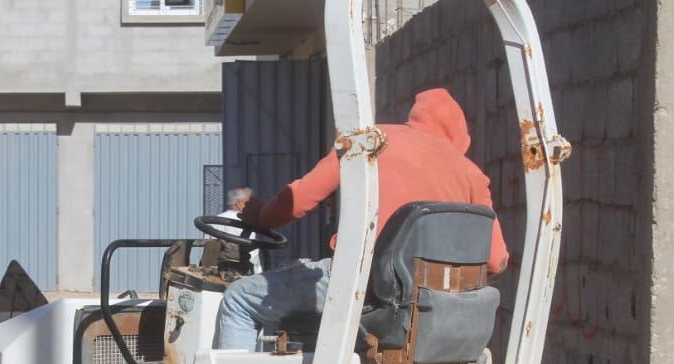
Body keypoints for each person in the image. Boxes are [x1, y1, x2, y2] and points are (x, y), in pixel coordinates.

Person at [214, 88, 510, 350]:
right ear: (460, 136)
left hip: (363, 285)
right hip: (432, 306)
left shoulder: (372, 141)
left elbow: (298, 200)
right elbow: (497, 261)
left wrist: (261, 217)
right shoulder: (473, 175)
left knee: (239, 299)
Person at [217, 187, 264, 274]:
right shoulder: (246, 222)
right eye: (249, 203)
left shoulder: (214, 221)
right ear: (239, 203)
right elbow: (253, 256)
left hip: (217, 271)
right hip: (244, 274)